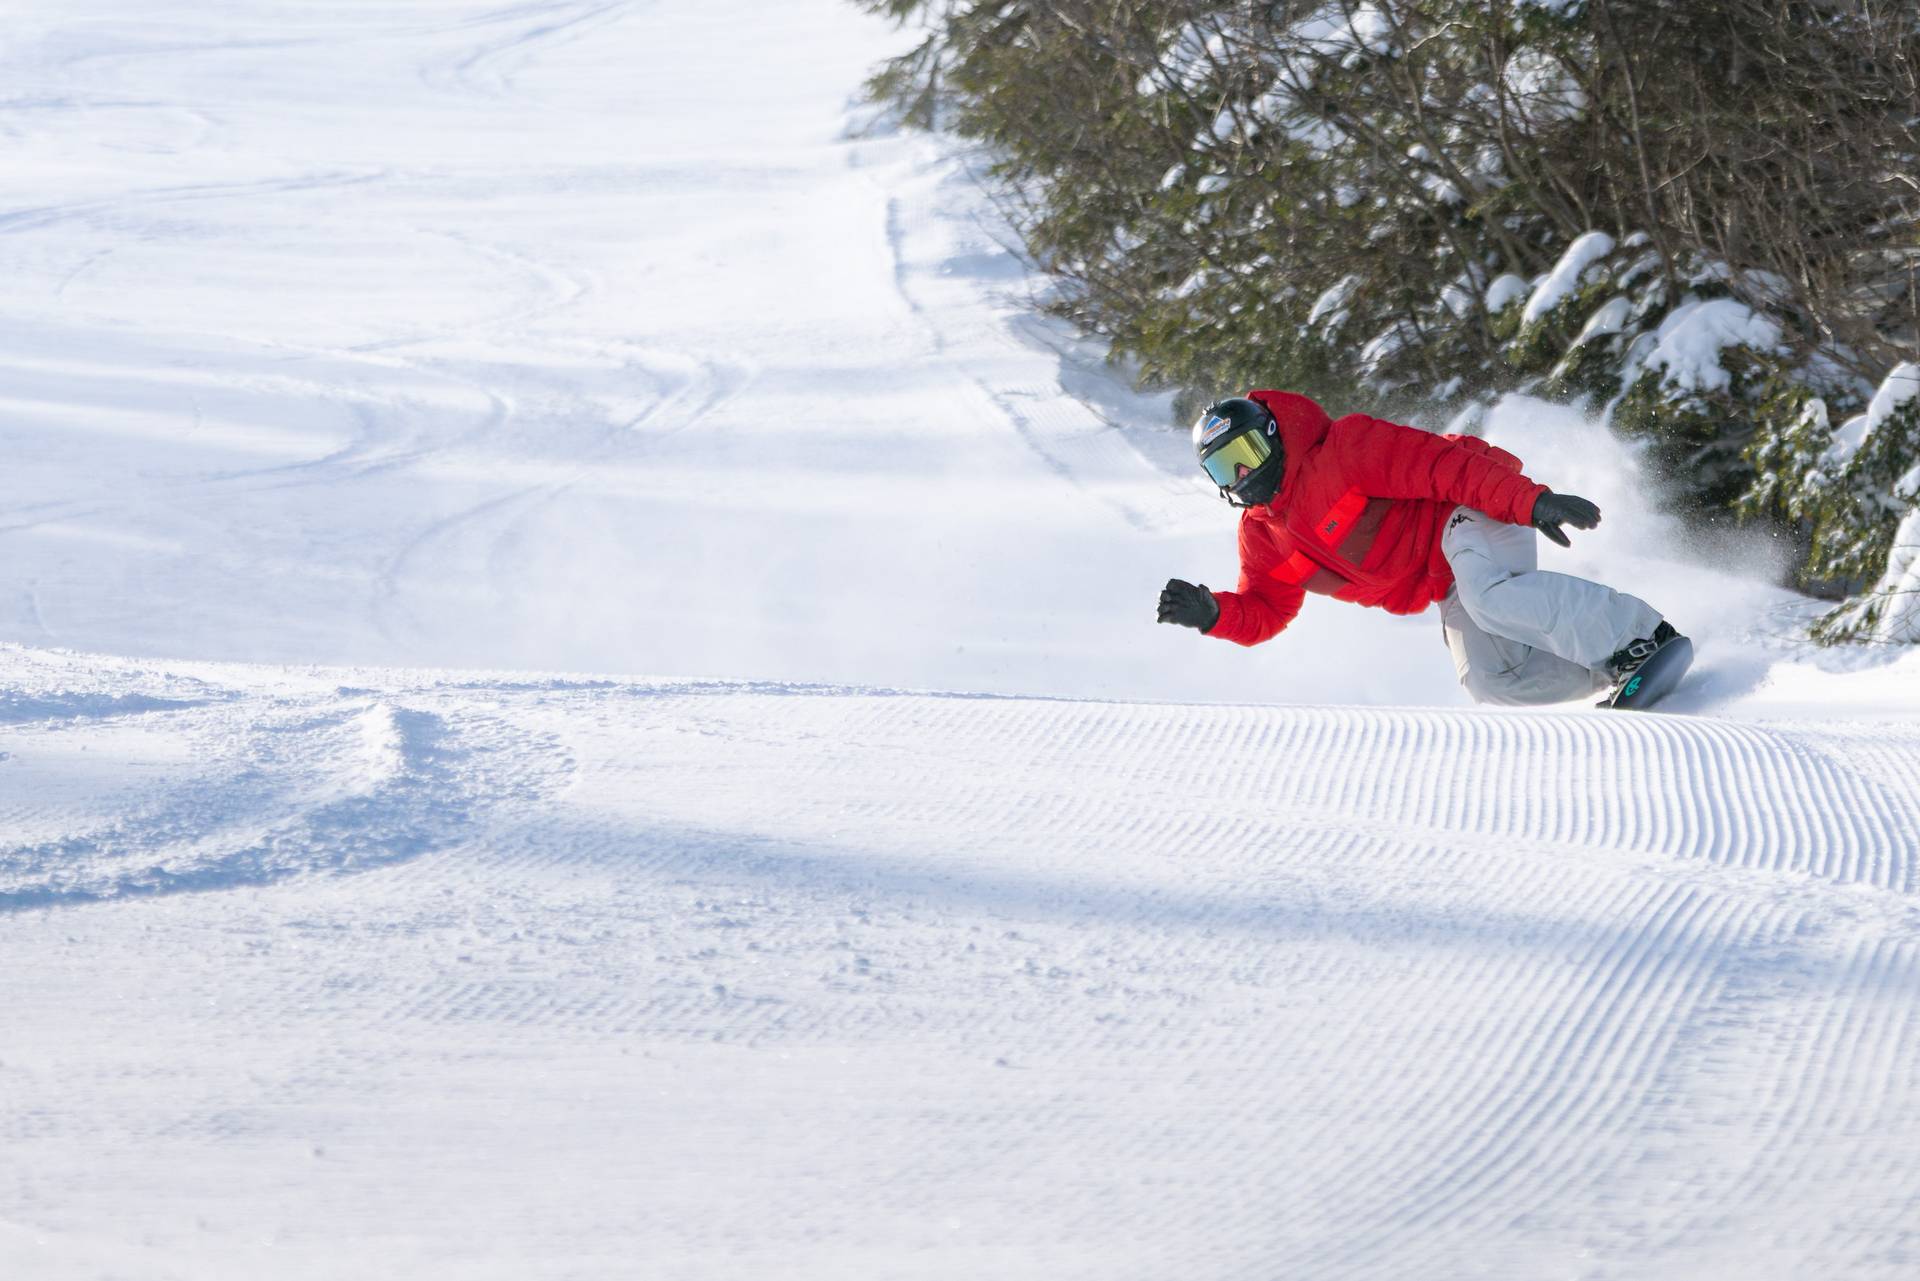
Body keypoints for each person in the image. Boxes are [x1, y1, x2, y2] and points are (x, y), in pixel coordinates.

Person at [1155, 390, 1680, 706]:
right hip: (1444, 576)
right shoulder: (1262, 536)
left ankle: (1640, 636)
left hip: (1467, 510)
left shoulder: (1343, 451)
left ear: (1271, 436)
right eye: (1225, 468)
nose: (1243, 474)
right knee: (1492, 680)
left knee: (1491, 598)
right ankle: (1613, 671)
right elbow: (1267, 610)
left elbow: (1441, 465)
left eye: (1247, 453)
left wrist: (1530, 503)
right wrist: (1215, 613)